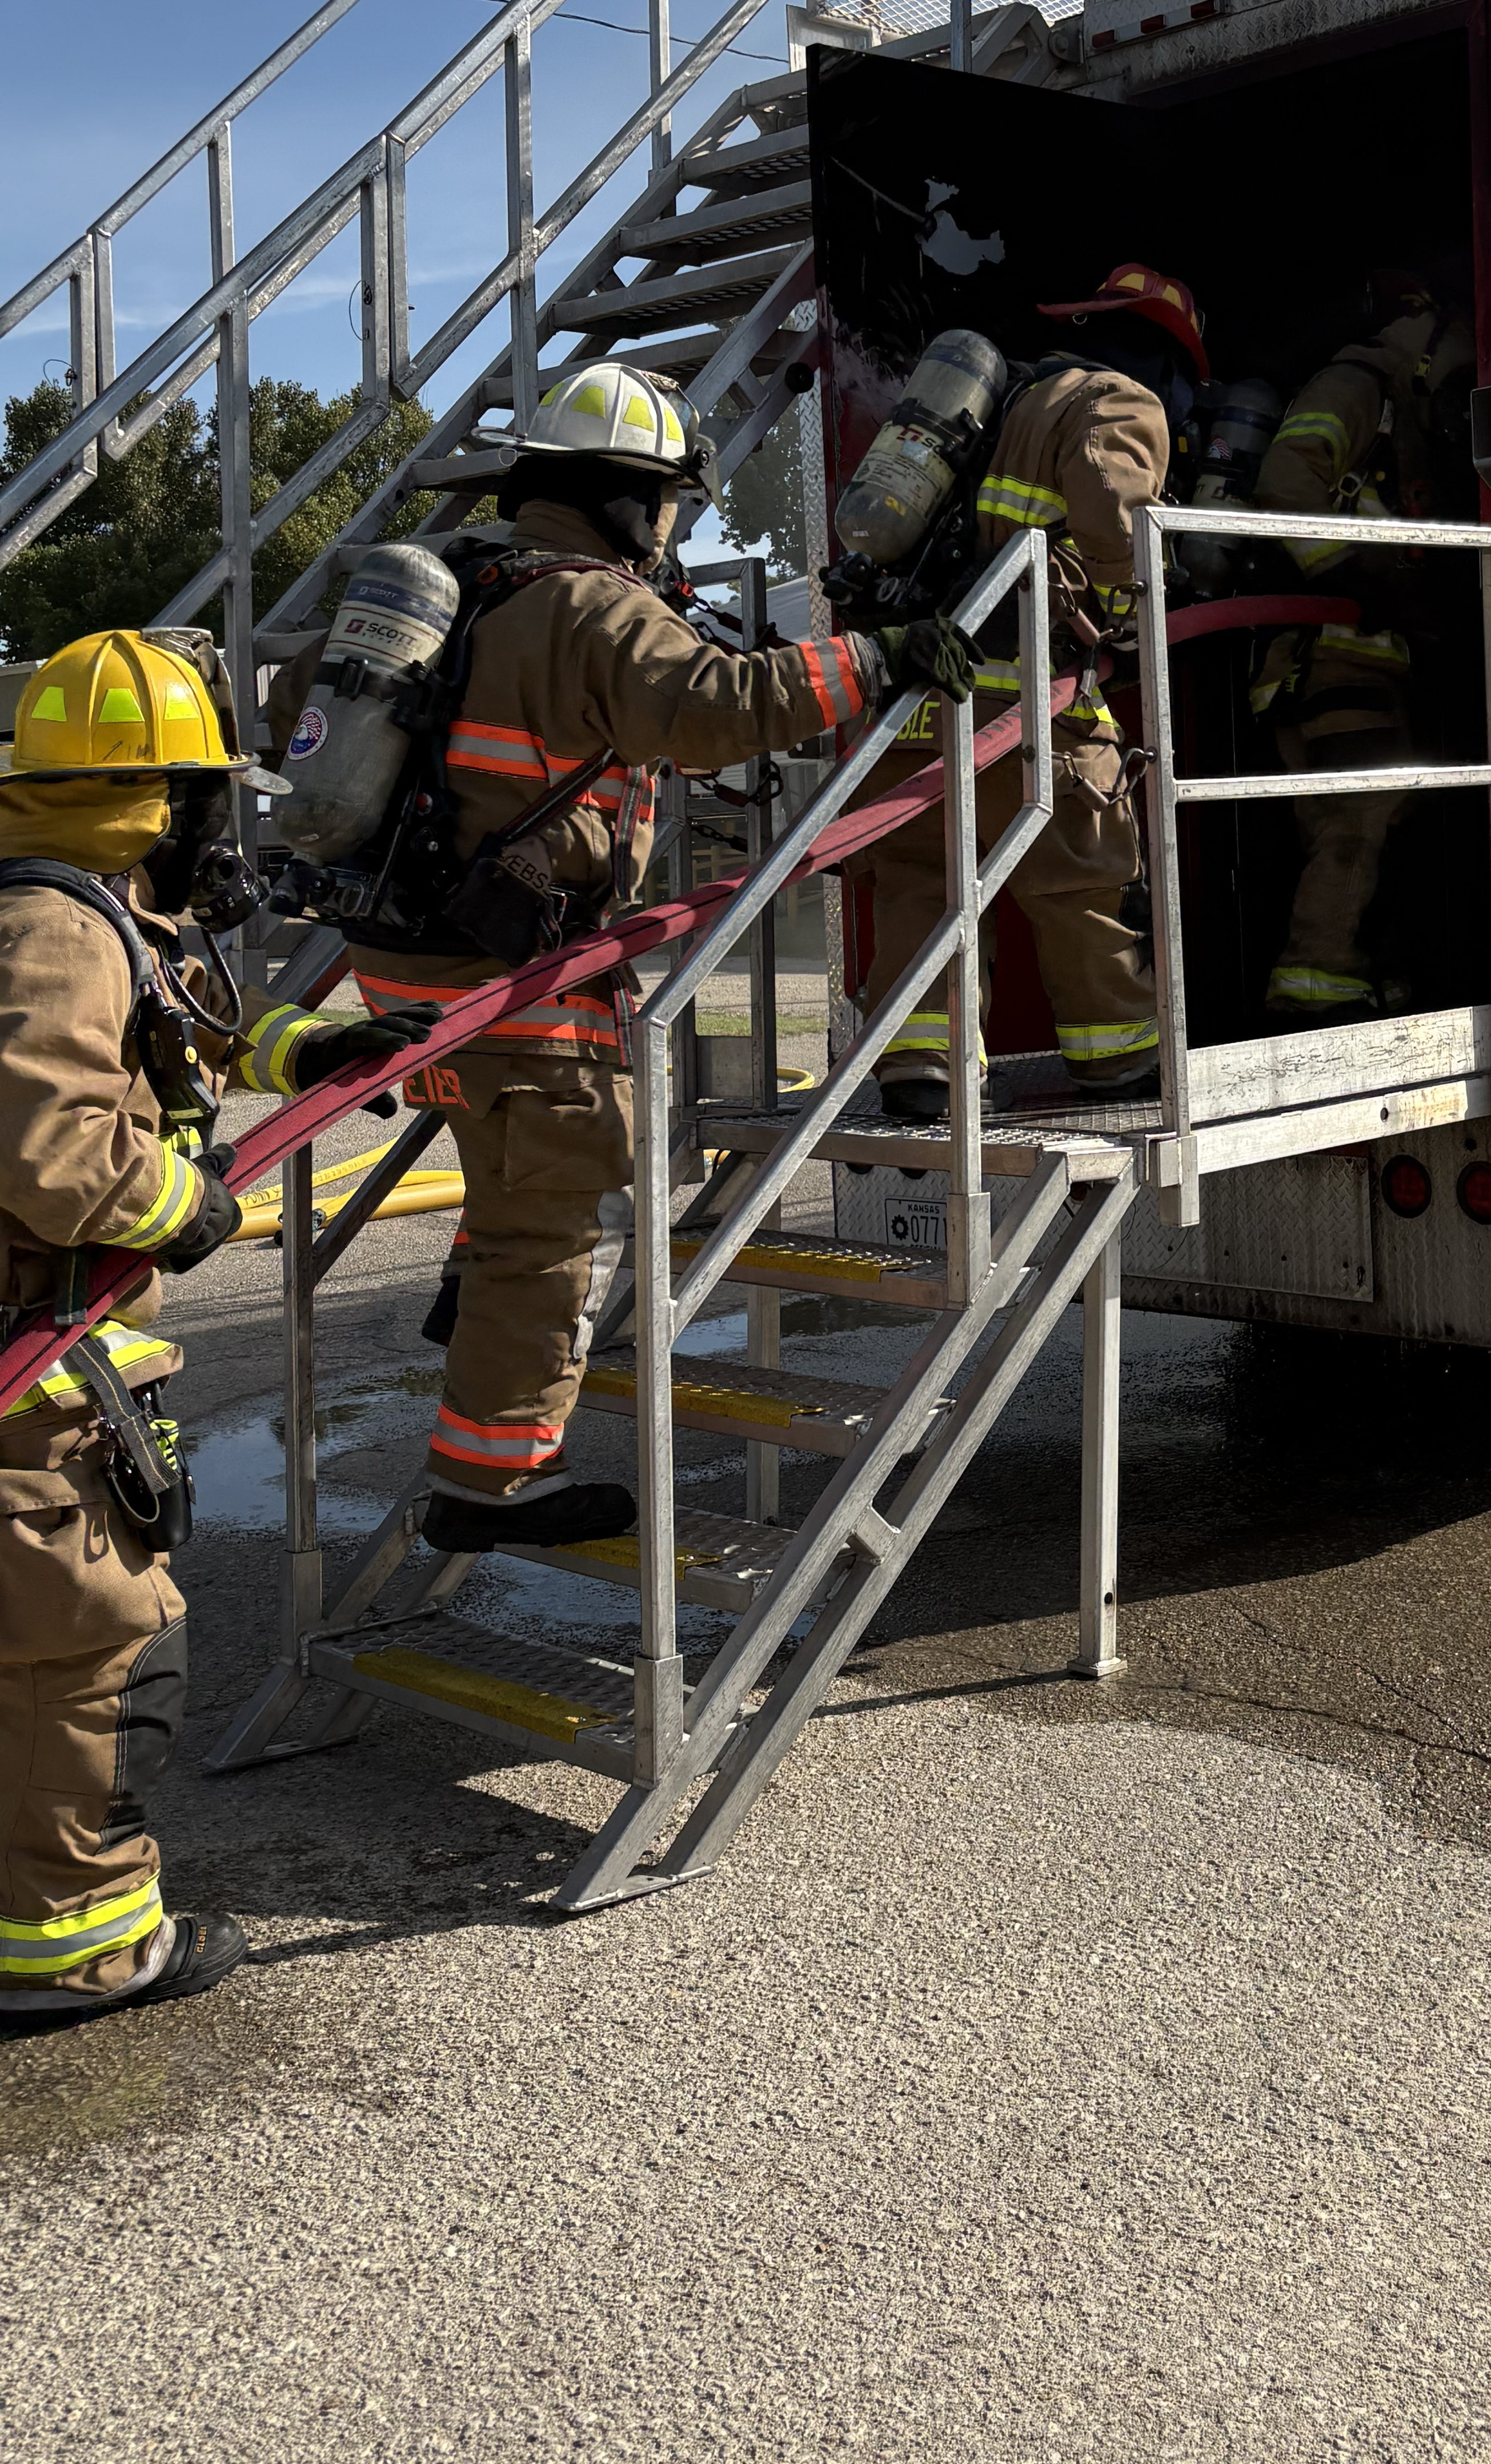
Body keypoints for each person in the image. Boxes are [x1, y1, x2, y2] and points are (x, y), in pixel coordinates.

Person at [276, 359, 975, 1555]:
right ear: (621, 500)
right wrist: (880, 658)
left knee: (514, 1159)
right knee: (550, 1227)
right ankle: (485, 1484)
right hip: (523, 986)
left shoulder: (460, 582)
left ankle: (466, 1293)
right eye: (664, 504)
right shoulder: (591, 605)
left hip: (407, 968)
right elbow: (708, 707)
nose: (667, 530)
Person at [0, 629, 404, 2026]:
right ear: (154, 804)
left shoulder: (81, 904)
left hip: (45, 1351)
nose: (225, 834)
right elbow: (50, 1147)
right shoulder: (58, 927)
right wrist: (177, 1199)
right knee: (89, 1653)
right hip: (28, 1367)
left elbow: (182, 1030)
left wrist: (311, 1054)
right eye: (209, 802)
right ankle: (80, 1949)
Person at [852, 262, 1203, 1119]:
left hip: (917, 707)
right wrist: (1132, 606)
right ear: (1171, 359)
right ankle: (1117, 1062)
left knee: (918, 884)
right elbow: (1113, 504)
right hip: (1028, 709)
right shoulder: (1120, 401)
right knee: (1083, 879)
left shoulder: (996, 406)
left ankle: (917, 1069)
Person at [1249, 274, 1476, 1032]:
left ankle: (1351, 980)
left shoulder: (1403, 415)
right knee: (1359, 819)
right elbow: (1285, 483)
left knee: (1360, 821)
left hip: (1361, 660)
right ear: (1423, 329)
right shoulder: (1355, 387)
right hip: (1331, 655)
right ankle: (1318, 988)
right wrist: (1350, 579)